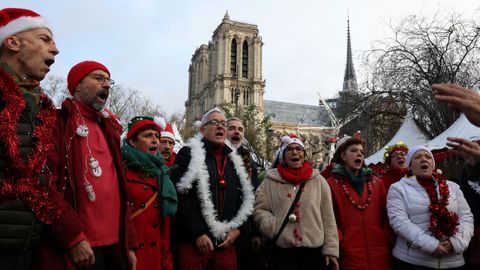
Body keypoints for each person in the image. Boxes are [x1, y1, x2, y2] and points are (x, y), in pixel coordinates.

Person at [41, 61, 137, 270]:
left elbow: (121, 191)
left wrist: (129, 244)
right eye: (98, 78)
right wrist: (72, 237)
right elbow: (46, 184)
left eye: (108, 80)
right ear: (77, 85)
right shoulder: (57, 122)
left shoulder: (110, 129)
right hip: (77, 248)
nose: (106, 85)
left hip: (114, 248)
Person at [0, 8, 59, 270]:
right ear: (12, 42)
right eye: (45, 39)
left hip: (25, 248)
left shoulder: (39, 106)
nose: (55, 49)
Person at [171, 108, 255, 270]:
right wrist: (198, 232)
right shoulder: (188, 153)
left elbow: (245, 198)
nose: (221, 127)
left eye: (224, 124)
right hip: (194, 243)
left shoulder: (234, 161)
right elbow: (182, 197)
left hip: (225, 243)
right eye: (214, 123)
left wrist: (238, 230)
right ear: (202, 130)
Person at [254, 135, 339, 270]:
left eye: (299, 149)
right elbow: (259, 209)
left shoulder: (318, 181)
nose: (295, 152)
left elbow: (328, 217)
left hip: (313, 254)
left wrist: (331, 249)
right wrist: (271, 225)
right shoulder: (269, 182)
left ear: (304, 155)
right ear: (282, 156)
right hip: (282, 253)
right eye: (289, 150)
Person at [387, 145, 474, 270]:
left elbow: (466, 217)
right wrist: (430, 245)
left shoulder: (453, 187)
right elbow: (399, 221)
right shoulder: (398, 188)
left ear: (433, 164)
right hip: (413, 262)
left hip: (453, 262)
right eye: (417, 157)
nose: (424, 159)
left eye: (428, 157)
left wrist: (456, 243)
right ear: (410, 166)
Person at [327, 137, 393, 270]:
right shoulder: (331, 184)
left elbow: (387, 216)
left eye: (362, 152)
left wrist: (384, 238)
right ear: (343, 156)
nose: (359, 154)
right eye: (353, 151)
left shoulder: (377, 183)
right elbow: (329, 220)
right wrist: (340, 241)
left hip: (379, 254)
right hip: (348, 256)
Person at [122, 116, 178, 270]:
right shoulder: (120, 170)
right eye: (148, 135)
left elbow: (164, 226)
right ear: (133, 142)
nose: (155, 140)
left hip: (154, 258)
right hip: (129, 256)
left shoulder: (161, 175)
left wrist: (166, 261)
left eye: (157, 136)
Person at [226, 117, 261, 270]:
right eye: (232, 128)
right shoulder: (216, 156)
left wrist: (256, 233)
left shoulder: (249, 161)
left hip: (243, 230)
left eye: (240, 129)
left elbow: (254, 197)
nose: (237, 132)